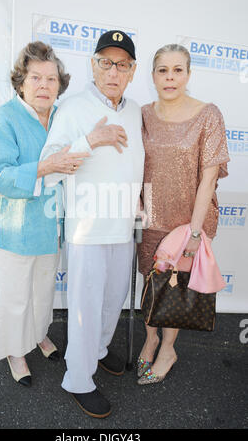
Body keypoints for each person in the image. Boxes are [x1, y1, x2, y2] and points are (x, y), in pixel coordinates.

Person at [36, 30, 144, 418]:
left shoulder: (135, 110)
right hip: (87, 230)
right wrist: (90, 140)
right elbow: (48, 169)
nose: (113, 71)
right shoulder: (73, 108)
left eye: (122, 64)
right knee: (84, 306)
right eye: (106, 62)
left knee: (113, 301)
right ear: (93, 66)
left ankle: (98, 350)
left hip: (122, 227)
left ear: (132, 71)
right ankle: (78, 379)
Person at [0, 41, 90, 387]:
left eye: (51, 79)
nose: (44, 85)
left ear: (61, 84)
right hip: (14, 227)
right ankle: (15, 350)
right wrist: (43, 168)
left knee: (43, 291)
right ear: (21, 82)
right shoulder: (2, 120)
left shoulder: (62, 117)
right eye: (36, 78)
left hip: (51, 225)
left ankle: (39, 335)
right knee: (14, 296)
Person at [137, 44, 230, 384]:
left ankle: (168, 349)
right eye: (163, 70)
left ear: (189, 75)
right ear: (153, 76)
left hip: (188, 221)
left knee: (176, 287)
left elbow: (209, 178)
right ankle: (149, 340)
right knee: (150, 283)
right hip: (150, 219)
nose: (170, 77)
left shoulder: (208, 114)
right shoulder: (143, 114)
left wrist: (193, 232)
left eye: (178, 70)